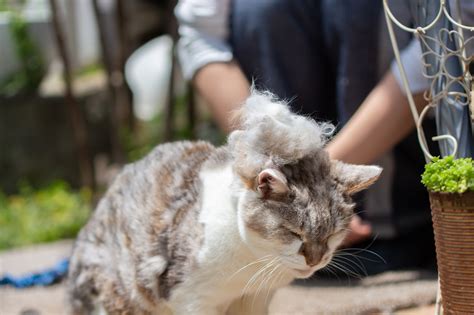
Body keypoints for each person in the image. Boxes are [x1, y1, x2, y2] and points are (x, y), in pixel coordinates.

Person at [174, 0, 471, 274]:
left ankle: (388, 222)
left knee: (358, 11)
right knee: (261, 8)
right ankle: (276, 231)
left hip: (383, 176)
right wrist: (255, 160)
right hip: (277, 184)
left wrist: (323, 205)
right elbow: (202, 35)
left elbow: (443, 46)